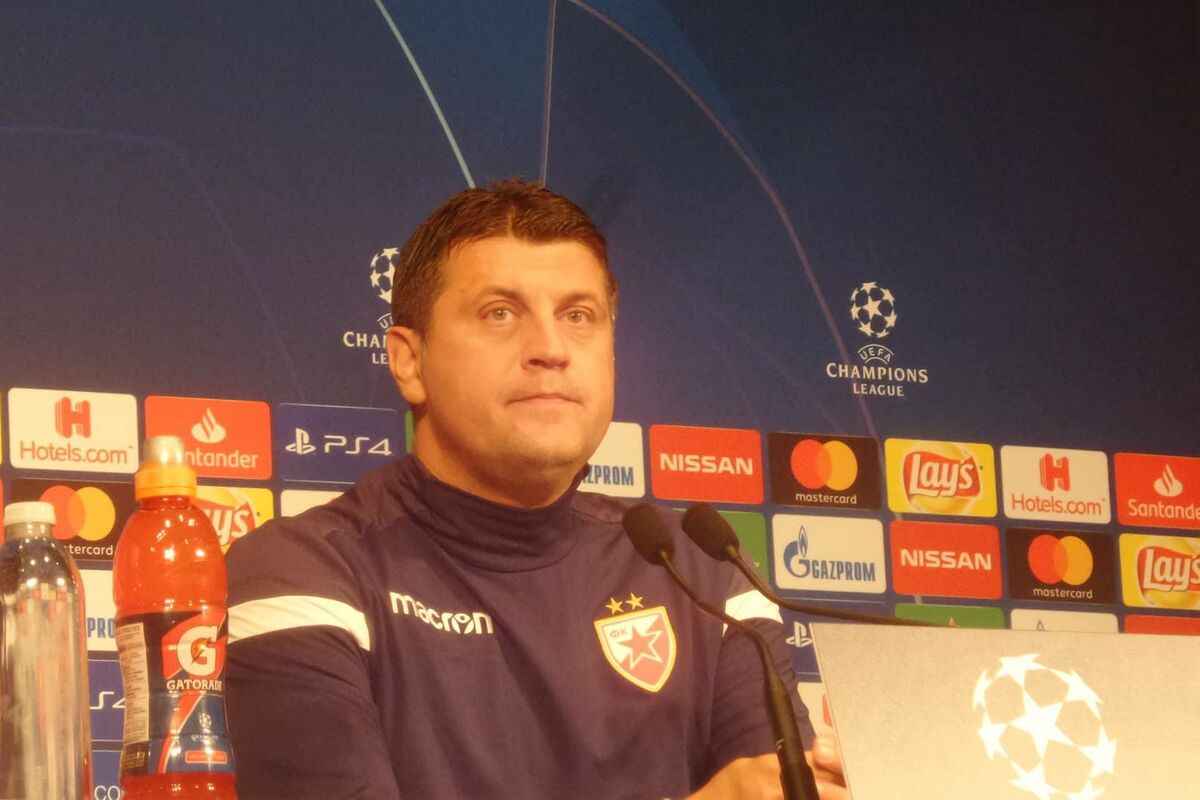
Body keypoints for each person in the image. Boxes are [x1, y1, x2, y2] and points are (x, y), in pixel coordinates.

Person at [225, 180, 848, 799]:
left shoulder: (702, 571)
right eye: (500, 313)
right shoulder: (303, 571)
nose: (550, 349)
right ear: (410, 361)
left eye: (579, 316)